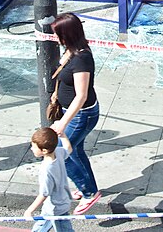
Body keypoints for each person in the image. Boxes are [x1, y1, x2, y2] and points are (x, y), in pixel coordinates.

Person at [49, 13, 102, 215]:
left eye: (57, 34)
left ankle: (89, 192)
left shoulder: (82, 59)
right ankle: (87, 187)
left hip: (82, 115)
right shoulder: (71, 50)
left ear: (67, 35)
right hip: (71, 112)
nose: (55, 37)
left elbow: (81, 96)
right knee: (76, 151)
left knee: (60, 154)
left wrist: (63, 123)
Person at [25, 127, 75, 232]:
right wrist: (63, 135)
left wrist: (30, 210)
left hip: (55, 207)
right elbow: (69, 149)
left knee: (63, 229)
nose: (31, 149)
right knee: (42, 225)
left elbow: (44, 193)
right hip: (63, 200)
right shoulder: (58, 152)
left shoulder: (46, 170)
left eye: (34, 147)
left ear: (44, 150)